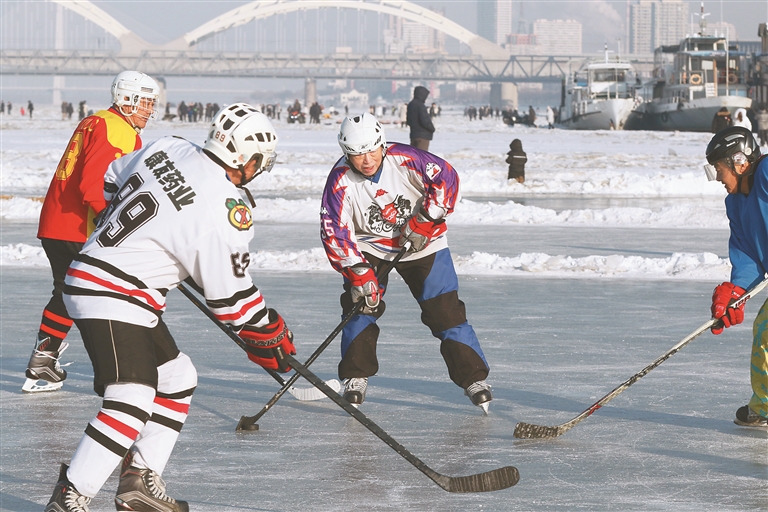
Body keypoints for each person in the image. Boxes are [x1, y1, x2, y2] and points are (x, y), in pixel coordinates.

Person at [44, 103, 296, 512]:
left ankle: (138, 481)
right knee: (131, 397)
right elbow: (232, 300)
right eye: (259, 162)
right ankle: (70, 496)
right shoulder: (226, 208)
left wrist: (162, 244)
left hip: (112, 283)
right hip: (112, 291)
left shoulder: (168, 146)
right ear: (247, 159)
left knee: (177, 376)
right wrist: (268, 330)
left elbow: (111, 182)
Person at [320, 113, 492, 413]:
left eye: (372, 150)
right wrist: (358, 272)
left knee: (445, 310)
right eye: (357, 154)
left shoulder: (406, 158)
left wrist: (426, 220)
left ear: (382, 144)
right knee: (361, 307)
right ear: (346, 152)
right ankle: (355, 375)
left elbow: (446, 177)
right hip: (370, 248)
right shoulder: (339, 181)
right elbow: (334, 231)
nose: (367, 159)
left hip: (425, 244)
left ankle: (473, 379)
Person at [23, 71, 160, 394]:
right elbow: (92, 186)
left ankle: (44, 359)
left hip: (55, 221)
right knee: (98, 295)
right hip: (77, 225)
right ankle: (114, 368)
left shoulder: (95, 120)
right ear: (128, 99)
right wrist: (113, 221)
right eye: (145, 103)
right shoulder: (120, 131)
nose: (149, 110)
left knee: (67, 292)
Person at [702, 126, 768, 428]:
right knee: (764, 331)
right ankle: (765, 405)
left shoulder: (766, 173)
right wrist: (736, 292)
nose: (717, 177)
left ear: (739, 162)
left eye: (718, 168)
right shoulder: (736, 204)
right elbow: (748, 257)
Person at [406, 86, 435, 151]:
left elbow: (408, 120)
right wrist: (432, 129)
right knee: (421, 157)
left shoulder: (411, 104)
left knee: (414, 158)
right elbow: (425, 121)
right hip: (423, 136)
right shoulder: (420, 105)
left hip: (413, 135)